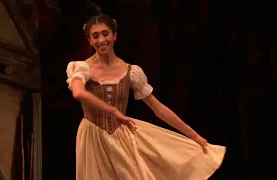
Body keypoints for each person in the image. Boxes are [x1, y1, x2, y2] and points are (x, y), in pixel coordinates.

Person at [66, 9, 226, 180]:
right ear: (90, 41)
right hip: (93, 136)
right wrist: (112, 111)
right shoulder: (82, 68)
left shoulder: (131, 71)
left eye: (105, 34)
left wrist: (195, 136)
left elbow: (158, 108)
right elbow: (78, 92)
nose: (101, 40)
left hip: (121, 137)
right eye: (95, 36)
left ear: (114, 36)